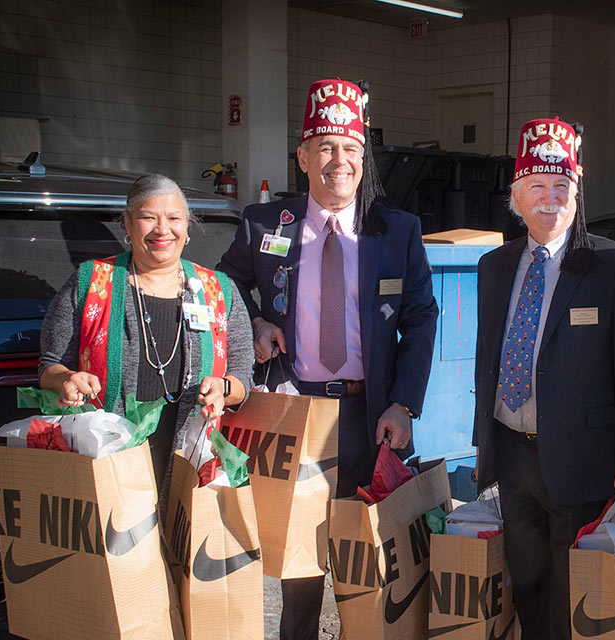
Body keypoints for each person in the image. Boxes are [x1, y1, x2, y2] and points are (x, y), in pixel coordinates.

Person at [218, 78, 438, 640]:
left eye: (349, 148)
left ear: (363, 157)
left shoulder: (398, 231)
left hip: (372, 422)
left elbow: (420, 318)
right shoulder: (267, 224)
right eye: (324, 147)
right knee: (299, 573)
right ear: (302, 156)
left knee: (370, 572)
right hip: (295, 420)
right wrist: (259, 322)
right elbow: (222, 288)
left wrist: (404, 404)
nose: (337, 161)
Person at [471, 117, 615, 640]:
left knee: (573, 589)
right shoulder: (494, 266)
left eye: (561, 186)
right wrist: (481, 442)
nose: (549, 198)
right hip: (512, 453)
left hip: (583, 457)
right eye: (537, 186)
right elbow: (491, 358)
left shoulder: (614, 266)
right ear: (517, 196)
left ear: (577, 192)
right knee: (527, 581)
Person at [39, 173, 254, 502]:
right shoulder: (90, 282)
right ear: (127, 223)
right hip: (106, 460)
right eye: (148, 217)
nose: (162, 229)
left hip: (192, 460)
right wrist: (66, 380)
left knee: (184, 549)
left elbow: (241, 378)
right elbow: (50, 367)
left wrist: (223, 389)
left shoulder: (219, 290)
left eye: (173, 218)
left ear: (187, 225)